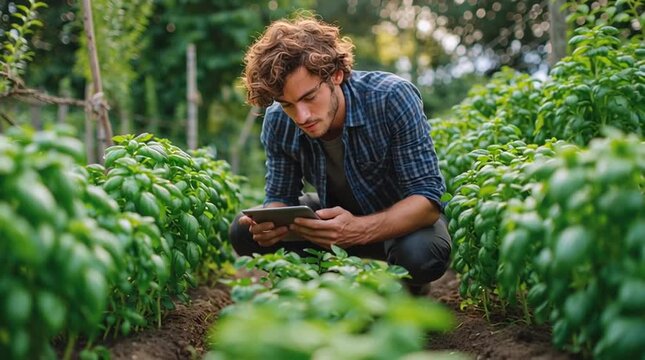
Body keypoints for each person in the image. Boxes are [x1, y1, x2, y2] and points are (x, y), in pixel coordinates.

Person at [229, 15, 451, 295]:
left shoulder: (391, 97)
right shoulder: (278, 121)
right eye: (287, 104)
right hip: (333, 215)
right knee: (242, 232)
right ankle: (322, 280)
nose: (302, 116)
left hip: (398, 222)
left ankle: (407, 285)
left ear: (335, 75)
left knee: (422, 256)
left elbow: (428, 200)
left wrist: (358, 229)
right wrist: (271, 225)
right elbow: (280, 196)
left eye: (310, 97)